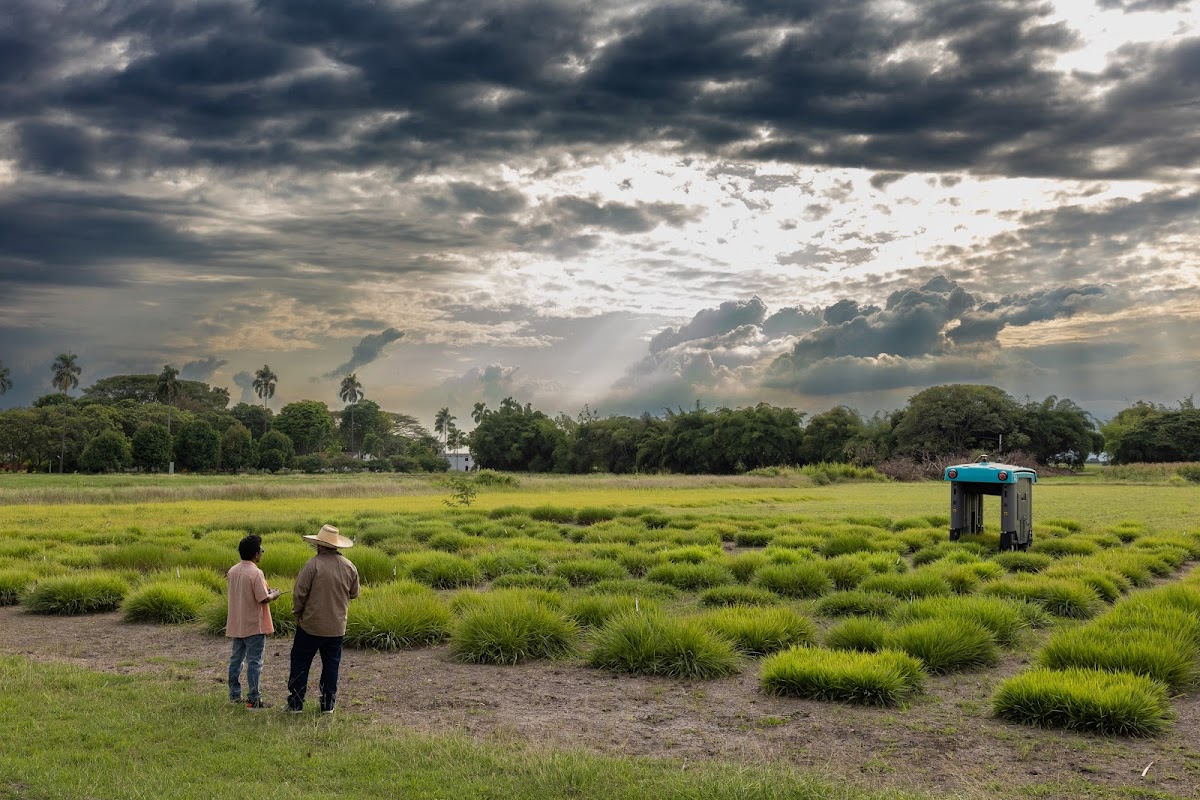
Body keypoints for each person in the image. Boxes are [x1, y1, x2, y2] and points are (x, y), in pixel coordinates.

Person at [285, 524, 360, 715]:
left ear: (320, 545)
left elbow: (299, 594)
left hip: (310, 624)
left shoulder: (313, 565)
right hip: (336, 626)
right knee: (331, 665)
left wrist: (298, 613)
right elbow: (354, 593)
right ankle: (328, 705)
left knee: (300, 663)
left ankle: (295, 704)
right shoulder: (349, 566)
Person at [226, 534, 282, 709]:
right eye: (261, 550)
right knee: (255, 662)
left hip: (237, 622)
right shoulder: (256, 573)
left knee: (236, 660)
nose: (262, 553)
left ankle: (235, 695)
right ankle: (254, 699)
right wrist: (274, 594)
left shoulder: (233, 570)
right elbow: (262, 599)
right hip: (254, 625)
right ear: (256, 554)